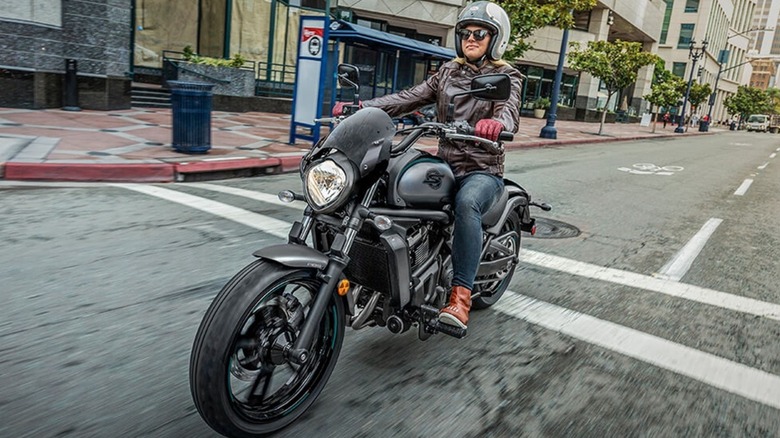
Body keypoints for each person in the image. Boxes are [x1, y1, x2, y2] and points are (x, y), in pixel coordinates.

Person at [332, 1, 522, 331]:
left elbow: (509, 109)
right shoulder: (449, 72)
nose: (471, 38)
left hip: (482, 170)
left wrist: (496, 124)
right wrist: (363, 107)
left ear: (496, 39)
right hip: (446, 164)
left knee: (467, 203)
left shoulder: (506, 76)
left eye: (480, 33)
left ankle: (460, 296)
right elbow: (410, 97)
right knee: (386, 178)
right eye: (465, 32)